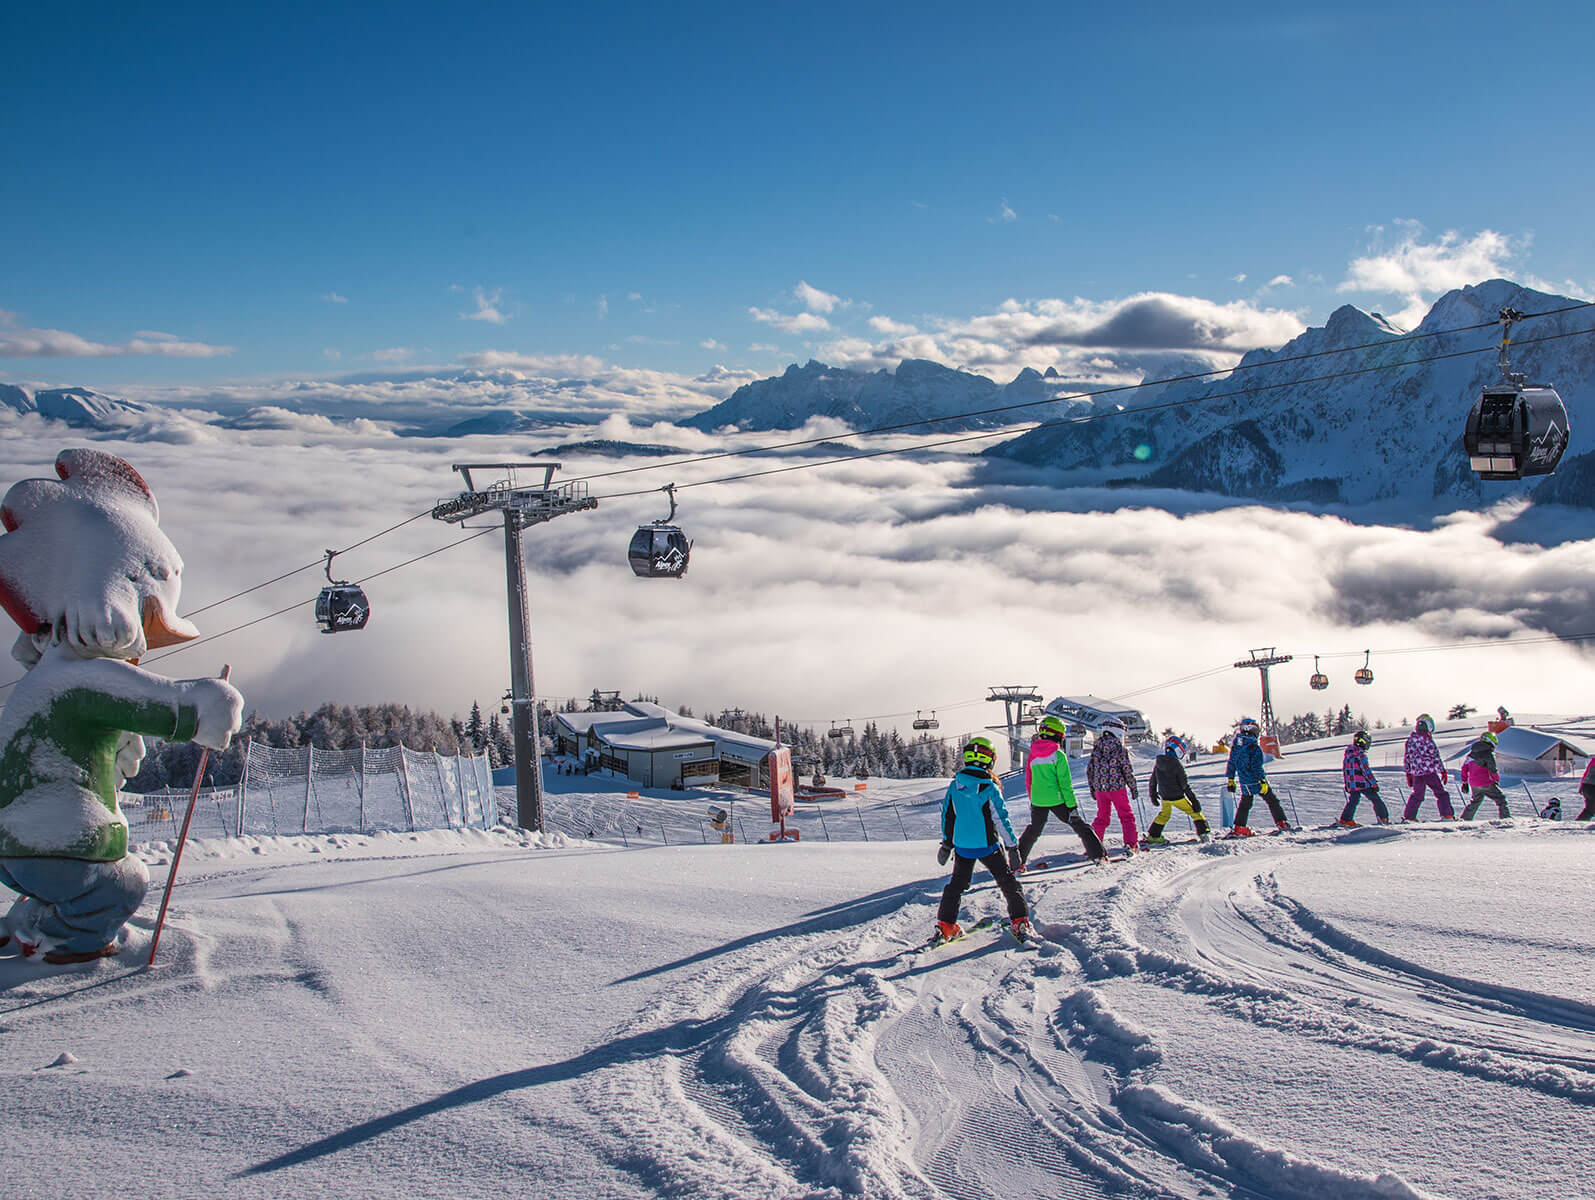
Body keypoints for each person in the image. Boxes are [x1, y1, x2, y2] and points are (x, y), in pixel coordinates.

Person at [934, 736, 1031, 944]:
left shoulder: (955, 785)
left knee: (956, 886)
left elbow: (948, 817)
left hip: (962, 847)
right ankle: (1020, 920)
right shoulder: (989, 787)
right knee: (1008, 882)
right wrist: (1013, 847)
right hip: (988, 847)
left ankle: (946, 925)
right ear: (991, 761)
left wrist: (947, 844)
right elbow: (1001, 820)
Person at [1016, 714, 1107, 866]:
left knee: (1033, 830)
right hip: (1057, 799)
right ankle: (1099, 855)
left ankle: (1017, 863)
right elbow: (1065, 784)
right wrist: (1072, 806)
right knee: (1080, 826)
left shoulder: (1033, 754)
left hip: (1038, 800)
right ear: (1058, 735)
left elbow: (1029, 780)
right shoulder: (1058, 755)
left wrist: (1033, 799)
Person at [1225, 717, 1290, 836]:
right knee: (1272, 800)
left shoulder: (1236, 747)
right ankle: (1281, 822)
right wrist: (1262, 781)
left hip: (1244, 781)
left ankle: (1239, 828)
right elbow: (1256, 766)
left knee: (1245, 803)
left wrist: (1230, 779)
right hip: (1256, 781)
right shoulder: (1253, 747)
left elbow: (1231, 763)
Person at [1143, 735, 1210, 845]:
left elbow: (1153, 780)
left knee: (1164, 815)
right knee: (1194, 812)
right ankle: (1204, 833)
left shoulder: (1158, 763)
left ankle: (1154, 836)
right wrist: (1194, 800)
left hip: (1165, 797)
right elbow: (1184, 785)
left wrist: (1153, 794)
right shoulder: (1176, 764)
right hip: (1177, 797)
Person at [1087, 718, 1140, 854]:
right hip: (1117, 789)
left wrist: (1093, 788)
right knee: (1126, 816)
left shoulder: (1096, 748)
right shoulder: (1119, 749)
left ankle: (1093, 846)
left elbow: (1090, 770)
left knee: (1101, 818)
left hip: (1101, 789)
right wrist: (1133, 787)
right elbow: (1127, 770)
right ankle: (1131, 843)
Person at [1401, 713, 1456, 821]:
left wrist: (1408, 772)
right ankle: (1447, 815)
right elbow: (1435, 757)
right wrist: (1442, 771)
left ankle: (1409, 817)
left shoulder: (1410, 741)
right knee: (1441, 793)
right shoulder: (1428, 741)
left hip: (1417, 773)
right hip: (1429, 771)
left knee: (1417, 795)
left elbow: (1407, 757)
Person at [1338, 730, 1390, 826]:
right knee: (1376, 800)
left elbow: (1346, 771)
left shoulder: (1348, 756)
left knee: (1353, 801)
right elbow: (1366, 771)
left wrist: (1347, 785)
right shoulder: (1360, 755)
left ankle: (1346, 819)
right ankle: (1383, 818)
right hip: (1363, 784)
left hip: (1352, 785)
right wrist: (1373, 784)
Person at [1460, 730, 1511, 819]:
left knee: (1475, 801)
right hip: (1486, 782)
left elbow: (1464, 768)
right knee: (1501, 800)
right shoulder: (1488, 754)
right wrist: (1496, 779)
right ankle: (1505, 818)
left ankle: (1465, 819)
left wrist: (1464, 782)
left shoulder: (1471, 754)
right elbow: (1492, 769)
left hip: (1474, 784)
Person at [1578, 757, 1595, 822]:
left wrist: (1581, 786)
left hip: (1586, 786)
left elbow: (1586, 773)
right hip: (1592, 787)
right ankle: (1579, 823)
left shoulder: (1593, 761)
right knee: (1590, 809)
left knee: (1590, 809)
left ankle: (1579, 822)